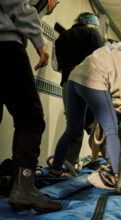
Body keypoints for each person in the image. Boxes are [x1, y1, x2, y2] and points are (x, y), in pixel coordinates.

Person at [49, 26, 121, 186]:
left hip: (74, 79)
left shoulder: (120, 46)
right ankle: (117, 176)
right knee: (112, 129)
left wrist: (112, 101)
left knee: (71, 130)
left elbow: (112, 80)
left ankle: (55, 169)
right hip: (94, 82)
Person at [0, 0, 61, 212]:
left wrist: (39, 8)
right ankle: (24, 188)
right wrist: (39, 43)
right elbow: (15, 4)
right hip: (5, 46)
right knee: (31, 117)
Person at [55, 12, 104, 168]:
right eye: (96, 26)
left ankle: (61, 167)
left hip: (67, 83)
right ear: (91, 24)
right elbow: (103, 57)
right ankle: (72, 165)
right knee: (92, 124)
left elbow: (60, 64)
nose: (96, 29)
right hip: (85, 83)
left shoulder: (62, 37)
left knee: (72, 127)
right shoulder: (91, 33)